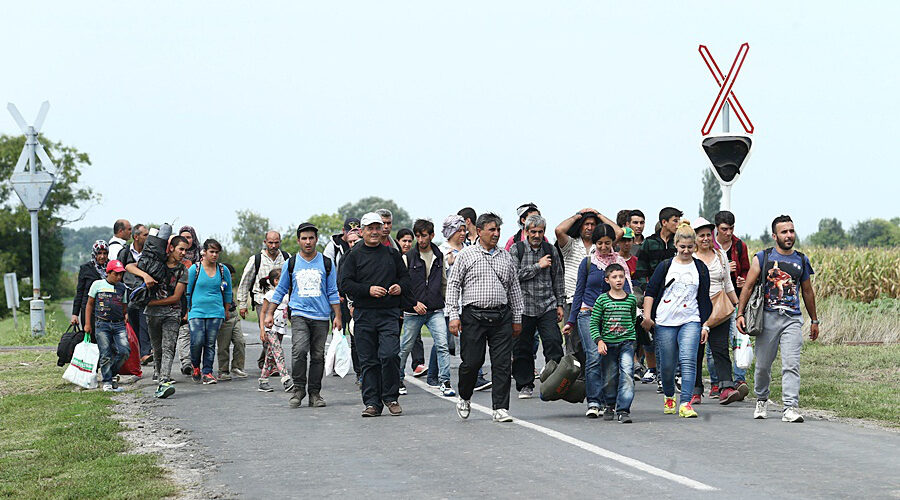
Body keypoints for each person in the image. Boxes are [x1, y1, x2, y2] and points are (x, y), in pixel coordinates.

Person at [737, 215, 818, 423]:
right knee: (763, 365)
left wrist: (814, 320)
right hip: (767, 318)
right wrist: (740, 313)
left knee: (791, 364)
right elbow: (747, 286)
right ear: (775, 236)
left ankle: (790, 407)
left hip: (792, 319)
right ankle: (762, 398)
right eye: (784, 232)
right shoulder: (762, 258)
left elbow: (808, 292)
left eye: (791, 231)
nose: (789, 235)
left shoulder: (801, 260)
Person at [447, 213, 524, 423]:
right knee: (472, 362)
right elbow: (453, 285)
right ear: (479, 231)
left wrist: (517, 318)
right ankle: (464, 396)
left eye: (498, 230)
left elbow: (514, 289)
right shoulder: (466, 255)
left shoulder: (506, 256)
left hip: (501, 316)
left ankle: (500, 408)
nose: (496, 234)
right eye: (491, 230)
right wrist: (453, 315)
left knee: (502, 364)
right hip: (473, 316)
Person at [340, 213, 412, 417]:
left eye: (377, 228)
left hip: (389, 313)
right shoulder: (353, 255)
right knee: (369, 361)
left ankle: (390, 397)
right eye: (369, 228)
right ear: (361, 231)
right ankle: (372, 403)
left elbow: (406, 279)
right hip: (364, 313)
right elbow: (345, 284)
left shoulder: (392, 254)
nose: (373, 232)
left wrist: (399, 287)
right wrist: (368, 290)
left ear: (383, 230)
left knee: (389, 355)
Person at [641, 222, 712, 419]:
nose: (686, 251)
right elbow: (651, 292)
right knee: (667, 365)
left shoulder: (700, 268)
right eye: (682, 247)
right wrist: (648, 317)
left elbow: (705, 298)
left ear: (695, 246)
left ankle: (686, 403)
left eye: (690, 247)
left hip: (691, 318)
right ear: (676, 245)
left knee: (688, 361)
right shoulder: (666, 266)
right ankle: (669, 396)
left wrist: (705, 324)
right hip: (665, 320)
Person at [266, 222, 342, 408]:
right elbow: (281, 289)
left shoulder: (326, 263)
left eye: (311, 238)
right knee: (299, 351)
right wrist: (269, 313)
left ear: (316, 240)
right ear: (298, 241)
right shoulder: (291, 264)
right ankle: (298, 389)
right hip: (299, 314)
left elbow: (332, 291)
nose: (308, 242)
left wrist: (338, 316)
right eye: (304, 238)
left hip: (322, 316)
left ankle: (315, 393)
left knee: (317, 356)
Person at [563, 224, 633, 417]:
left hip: (612, 315)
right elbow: (579, 292)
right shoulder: (587, 263)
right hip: (588, 313)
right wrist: (570, 320)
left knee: (608, 358)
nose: (603, 247)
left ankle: (608, 400)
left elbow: (627, 291)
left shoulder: (618, 264)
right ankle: (593, 401)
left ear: (613, 243)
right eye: (600, 243)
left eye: (607, 243)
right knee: (593, 355)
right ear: (595, 243)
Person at [508, 214, 564, 400]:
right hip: (523, 306)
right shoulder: (517, 250)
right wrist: (537, 266)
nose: (537, 235)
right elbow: (513, 276)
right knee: (522, 347)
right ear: (526, 231)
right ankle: (525, 384)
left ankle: (554, 382)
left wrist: (560, 304)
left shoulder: (550, 250)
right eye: (533, 232)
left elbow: (558, 277)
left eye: (540, 232)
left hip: (547, 304)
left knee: (554, 342)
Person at [397, 219, 455, 397]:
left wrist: (451, 308)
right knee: (405, 347)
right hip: (413, 311)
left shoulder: (439, 256)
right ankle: (397, 379)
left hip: (435, 310)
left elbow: (444, 283)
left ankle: (444, 381)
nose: (420, 240)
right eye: (418, 236)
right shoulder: (407, 257)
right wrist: (413, 304)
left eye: (424, 236)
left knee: (442, 345)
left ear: (432, 236)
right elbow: (403, 286)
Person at [555, 208, 622, 356]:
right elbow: (559, 230)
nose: (589, 227)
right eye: (585, 224)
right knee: (573, 342)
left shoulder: (601, 246)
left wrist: (599, 215)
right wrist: (577, 216)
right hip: (573, 297)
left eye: (592, 224)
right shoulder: (570, 244)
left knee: (594, 343)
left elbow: (619, 232)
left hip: (596, 301)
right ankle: (575, 376)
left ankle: (589, 377)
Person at [690, 217, 742, 406]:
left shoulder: (720, 256)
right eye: (701, 235)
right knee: (696, 351)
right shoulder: (690, 258)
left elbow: (728, 284)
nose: (705, 239)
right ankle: (695, 390)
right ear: (694, 238)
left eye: (708, 235)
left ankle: (726, 387)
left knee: (720, 349)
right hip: (695, 310)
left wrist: (738, 308)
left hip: (720, 309)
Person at [634, 206, 681, 388]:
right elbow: (640, 271)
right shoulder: (649, 243)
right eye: (674, 220)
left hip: (676, 297)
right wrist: (649, 291)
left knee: (675, 337)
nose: (677, 224)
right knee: (660, 337)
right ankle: (662, 377)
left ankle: (676, 375)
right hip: (655, 297)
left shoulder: (679, 244)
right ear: (664, 222)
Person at [709, 210, 751, 399]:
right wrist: (725, 268)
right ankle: (716, 382)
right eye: (724, 229)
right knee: (715, 345)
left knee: (739, 338)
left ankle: (739, 380)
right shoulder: (709, 245)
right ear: (717, 228)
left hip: (735, 297)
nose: (728, 232)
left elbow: (749, 271)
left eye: (731, 228)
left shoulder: (740, 246)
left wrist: (743, 280)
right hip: (716, 298)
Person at [589, 263, 638, 423]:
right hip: (608, 344)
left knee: (627, 374)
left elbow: (631, 319)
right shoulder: (602, 300)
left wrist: (630, 337)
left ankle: (623, 409)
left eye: (621, 277)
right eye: (614, 277)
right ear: (607, 280)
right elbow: (594, 323)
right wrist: (599, 341)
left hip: (627, 343)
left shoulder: (631, 299)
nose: (618, 280)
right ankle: (609, 404)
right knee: (610, 376)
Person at [236, 230, 290, 371]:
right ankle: (271, 366)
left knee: (278, 334)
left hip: (281, 302)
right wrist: (242, 304)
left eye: (276, 242)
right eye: (270, 242)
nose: (273, 245)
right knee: (268, 333)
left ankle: (264, 360)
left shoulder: (286, 258)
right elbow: (245, 281)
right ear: (265, 242)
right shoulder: (256, 259)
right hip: (262, 300)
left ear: (280, 242)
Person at [186, 238, 233, 385]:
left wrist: (226, 310)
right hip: (197, 312)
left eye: (217, 252)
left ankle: (207, 372)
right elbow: (187, 291)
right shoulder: (195, 269)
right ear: (204, 252)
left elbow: (228, 291)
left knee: (210, 343)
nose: (214, 255)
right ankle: (195, 365)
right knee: (197, 340)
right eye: (211, 252)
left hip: (216, 311)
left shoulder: (222, 270)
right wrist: (187, 310)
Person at [144, 235, 189, 385]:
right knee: (157, 348)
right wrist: (145, 277)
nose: (183, 253)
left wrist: (152, 302)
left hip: (172, 313)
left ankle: (164, 380)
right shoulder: (156, 264)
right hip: (152, 314)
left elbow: (176, 297)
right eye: (180, 249)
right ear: (171, 248)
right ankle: (159, 373)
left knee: (169, 347)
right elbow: (130, 266)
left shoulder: (183, 270)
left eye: (185, 250)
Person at [84, 260, 130, 393]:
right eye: (116, 274)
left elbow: (124, 306)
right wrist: (88, 323)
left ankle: (112, 373)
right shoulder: (97, 285)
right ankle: (107, 381)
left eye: (121, 274)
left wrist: (125, 315)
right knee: (105, 353)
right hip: (102, 324)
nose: (119, 277)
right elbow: (90, 304)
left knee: (124, 351)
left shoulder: (122, 288)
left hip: (119, 324)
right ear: (108, 273)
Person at [118, 224, 152, 365]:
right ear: (136, 237)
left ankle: (145, 353)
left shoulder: (150, 253)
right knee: (133, 323)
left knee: (144, 320)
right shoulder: (125, 252)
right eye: (145, 235)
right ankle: (137, 354)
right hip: (128, 293)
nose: (148, 237)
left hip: (145, 294)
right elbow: (118, 273)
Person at [257, 268, 292, 393]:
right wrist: (262, 330)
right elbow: (263, 312)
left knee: (271, 355)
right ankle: (286, 379)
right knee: (278, 351)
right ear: (276, 281)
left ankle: (263, 381)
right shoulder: (270, 295)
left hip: (281, 328)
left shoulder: (287, 295)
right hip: (270, 328)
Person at [71, 240, 109, 337]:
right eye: (99, 253)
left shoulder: (111, 268)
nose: (102, 256)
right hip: (89, 311)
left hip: (107, 310)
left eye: (105, 253)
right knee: (90, 337)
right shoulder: (86, 268)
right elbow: (79, 292)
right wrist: (75, 314)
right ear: (94, 254)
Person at [216, 263, 246, 381]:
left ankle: (237, 366)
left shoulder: (227, 284)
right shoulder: (220, 283)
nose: (231, 278)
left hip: (234, 314)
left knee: (240, 341)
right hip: (224, 315)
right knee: (223, 344)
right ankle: (223, 370)